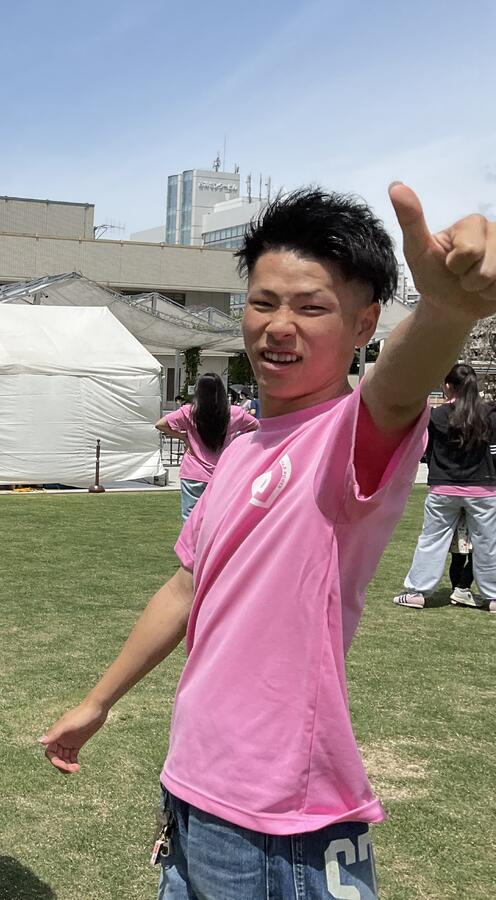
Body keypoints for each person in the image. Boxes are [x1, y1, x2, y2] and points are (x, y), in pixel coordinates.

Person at [39, 184, 496, 899]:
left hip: (277, 821)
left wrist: (446, 311)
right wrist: (98, 701)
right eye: (263, 302)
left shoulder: (345, 437)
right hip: (192, 787)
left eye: (311, 307)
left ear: (364, 323)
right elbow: (187, 586)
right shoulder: (243, 447)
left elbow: (398, 387)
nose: (279, 326)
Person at [392, 363, 496, 610]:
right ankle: (493, 596)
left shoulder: (436, 416)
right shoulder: (489, 414)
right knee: (488, 544)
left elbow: (421, 446)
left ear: (448, 386)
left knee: (432, 540)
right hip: (483, 489)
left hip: (443, 488)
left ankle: (417, 592)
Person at [155, 373, 259, 520]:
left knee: (190, 519)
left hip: (194, 472)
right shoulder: (235, 413)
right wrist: (238, 441)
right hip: (224, 472)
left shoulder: (189, 411)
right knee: (219, 519)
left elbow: (160, 424)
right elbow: (258, 427)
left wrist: (183, 436)